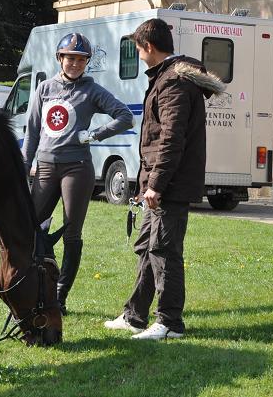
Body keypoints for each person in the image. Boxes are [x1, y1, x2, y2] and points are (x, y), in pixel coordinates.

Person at [104, 17, 224, 340]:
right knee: (147, 247)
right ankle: (135, 316)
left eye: (139, 50)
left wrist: (156, 184)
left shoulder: (172, 82)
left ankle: (170, 323)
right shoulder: (167, 77)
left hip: (168, 186)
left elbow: (171, 138)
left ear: (149, 48)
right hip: (158, 185)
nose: (139, 55)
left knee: (164, 250)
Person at [23, 32, 133, 315]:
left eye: (81, 59)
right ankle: (37, 288)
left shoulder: (92, 91)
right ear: (60, 58)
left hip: (77, 168)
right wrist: (25, 166)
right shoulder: (44, 88)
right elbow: (32, 132)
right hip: (46, 167)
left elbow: (125, 116)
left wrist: (94, 135)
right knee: (33, 229)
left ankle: (59, 297)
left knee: (72, 232)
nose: (75, 64)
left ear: (86, 63)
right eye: (70, 58)